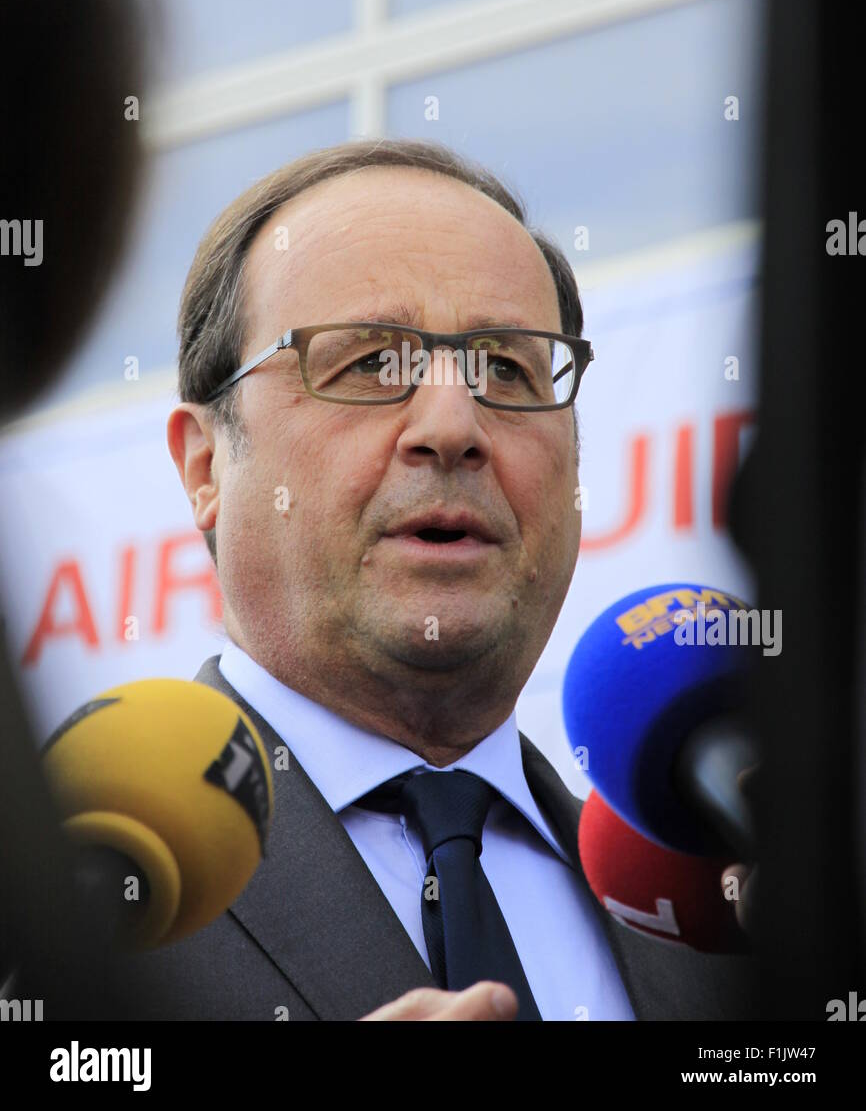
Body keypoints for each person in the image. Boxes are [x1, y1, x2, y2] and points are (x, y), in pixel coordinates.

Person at [132, 136, 756, 1020]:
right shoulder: (71, 906)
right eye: (369, 365)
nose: (453, 424)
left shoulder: (719, 909)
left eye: (507, 367)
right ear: (205, 466)